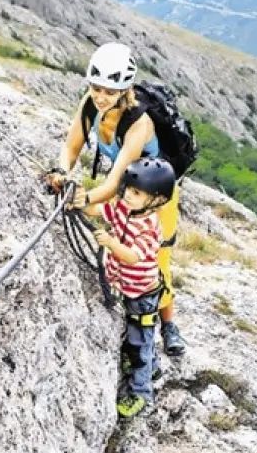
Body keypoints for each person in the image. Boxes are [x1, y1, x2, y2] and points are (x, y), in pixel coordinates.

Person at [45, 42, 186, 356]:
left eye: (109, 91)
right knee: (118, 245)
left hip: (155, 199)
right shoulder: (90, 105)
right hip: (127, 190)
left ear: (125, 90)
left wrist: (83, 198)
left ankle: (168, 324)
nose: (100, 96)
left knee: (154, 259)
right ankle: (130, 299)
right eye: (96, 88)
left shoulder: (140, 123)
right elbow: (71, 148)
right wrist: (61, 172)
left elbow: (113, 180)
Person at [80, 156, 176, 417]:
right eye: (127, 189)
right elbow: (101, 211)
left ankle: (142, 393)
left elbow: (133, 256)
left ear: (157, 201)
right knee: (139, 336)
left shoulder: (149, 226)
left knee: (139, 342)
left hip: (143, 293)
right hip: (128, 286)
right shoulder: (124, 208)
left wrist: (110, 243)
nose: (127, 196)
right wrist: (79, 202)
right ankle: (153, 367)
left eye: (136, 193)